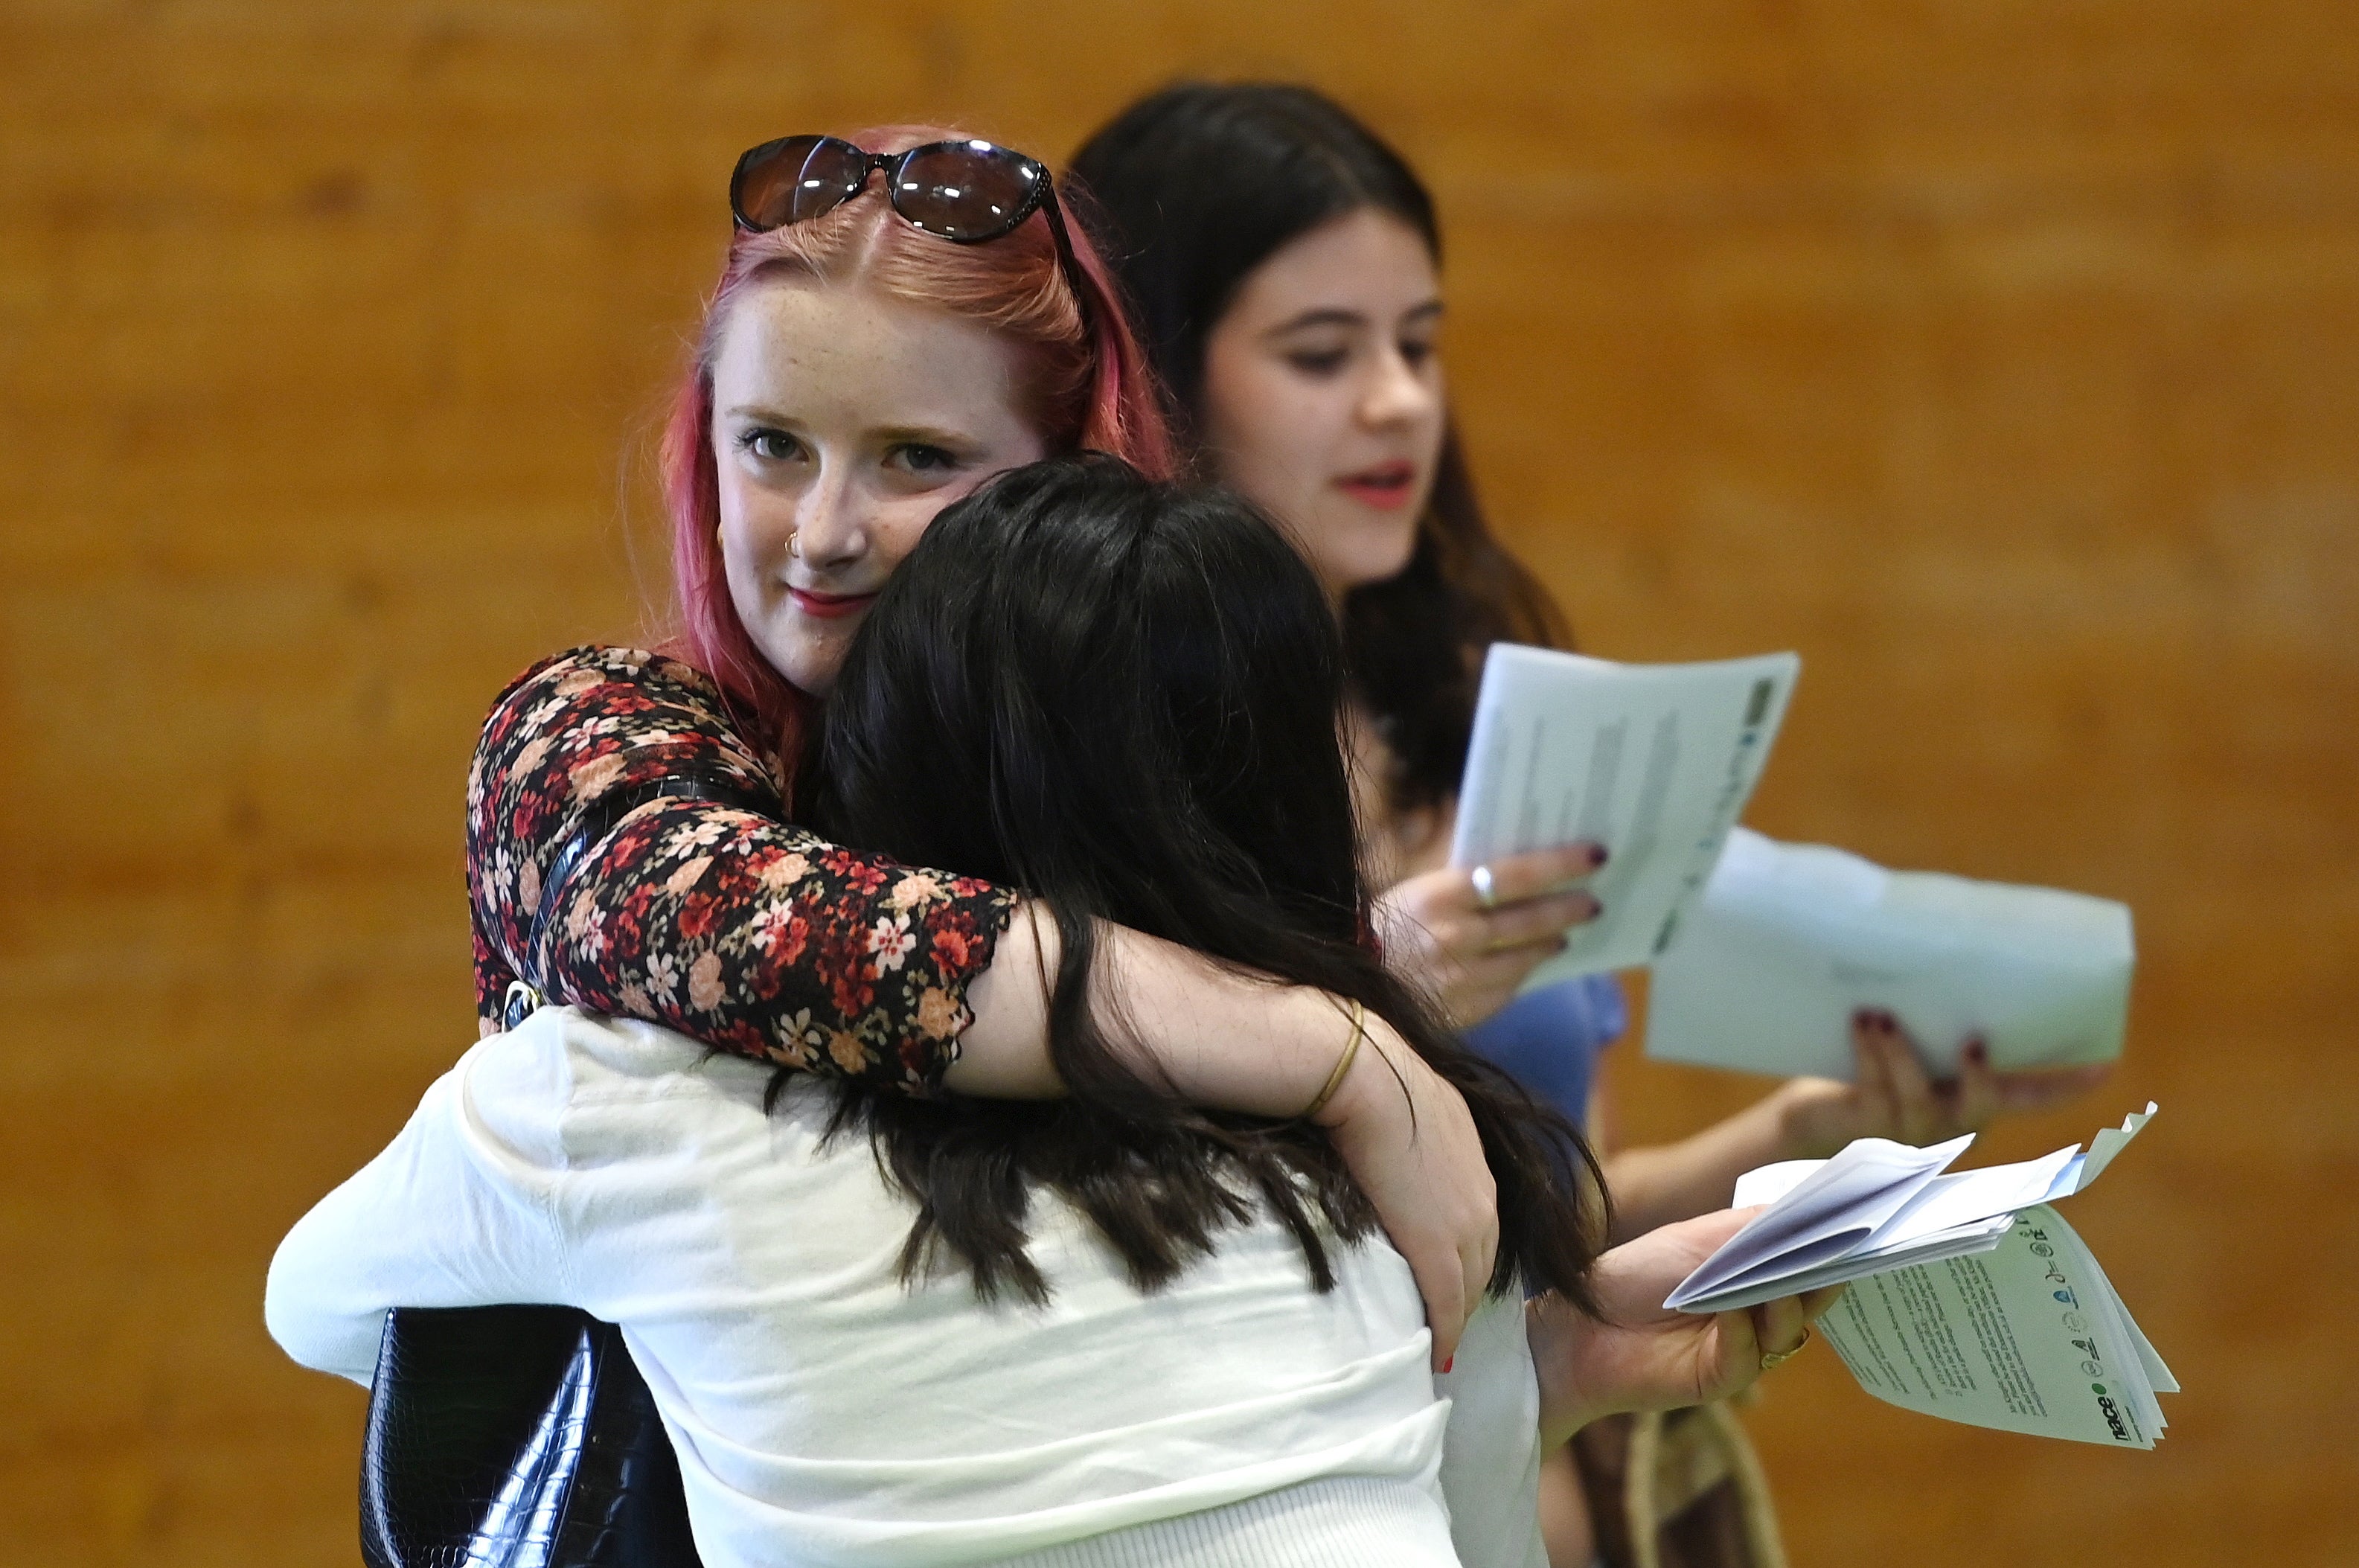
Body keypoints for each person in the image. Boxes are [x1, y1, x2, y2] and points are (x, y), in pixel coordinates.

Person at [269, 456, 1840, 1568]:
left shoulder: (624, 1095)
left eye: (918, 460)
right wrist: (1522, 1377)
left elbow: (324, 1305)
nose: (833, 531)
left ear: (885, 755)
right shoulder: (1407, 1161)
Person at [1068, 79, 2113, 1561]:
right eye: (1321, 353)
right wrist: (1373, 984)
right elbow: (1116, 1231)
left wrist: (1804, 1137)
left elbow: (1556, 1230)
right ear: (1155, 380)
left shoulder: (1477, 712)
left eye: (1418, 343)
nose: (1397, 401)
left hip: (1550, 1500)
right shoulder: (1084, 749)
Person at [464, 124, 1530, 1368]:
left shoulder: (1145, 763)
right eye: (772, 446)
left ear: (1064, 476)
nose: (821, 532)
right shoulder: (594, 731)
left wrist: (1554, 1354)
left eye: (917, 459)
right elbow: (706, 922)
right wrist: (1338, 1046)